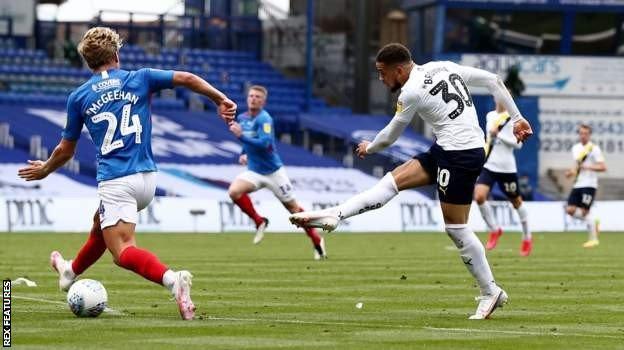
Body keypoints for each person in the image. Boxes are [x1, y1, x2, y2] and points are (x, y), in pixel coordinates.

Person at [290, 43, 533, 319]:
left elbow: (390, 136)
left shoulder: (411, 92)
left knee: (456, 228)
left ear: (400, 69)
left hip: (461, 155)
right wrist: (517, 118)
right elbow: (493, 80)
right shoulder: (442, 66)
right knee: (390, 183)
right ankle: (336, 214)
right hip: (447, 148)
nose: (381, 79)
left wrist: (369, 148)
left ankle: (491, 292)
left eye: (383, 73)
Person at [17, 27, 237, 320]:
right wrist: (219, 99)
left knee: (122, 252)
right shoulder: (140, 77)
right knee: (100, 224)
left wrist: (45, 169)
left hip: (116, 180)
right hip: (147, 178)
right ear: (117, 56)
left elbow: (65, 150)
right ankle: (69, 271)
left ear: (88, 62)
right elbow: (187, 78)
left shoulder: (79, 97)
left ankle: (174, 281)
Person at [227, 85, 326, 259]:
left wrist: (241, 136)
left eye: (258, 97)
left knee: (295, 211)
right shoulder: (242, 118)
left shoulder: (265, 119)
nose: (253, 99)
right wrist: (243, 153)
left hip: (273, 173)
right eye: (251, 96)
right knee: (234, 191)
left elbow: (265, 143)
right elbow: (248, 141)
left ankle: (316, 239)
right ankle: (259, 221)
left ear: (263, 101)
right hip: (255, 171)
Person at [474, 98, 532, 256]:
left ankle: (527, 237)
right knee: (479, 196)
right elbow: (488, 139)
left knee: (516, 202)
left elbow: (518, 144)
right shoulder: (489, 116)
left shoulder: (512, 119)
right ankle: (494, 229)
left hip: (507, 168)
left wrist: (499, 135)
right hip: (489, 165)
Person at [564, 124, 606, 248]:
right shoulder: (575, 148)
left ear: (589, 135)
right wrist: (571, 172)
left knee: (584, 212)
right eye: (581, 133)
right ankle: (594, 222)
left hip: (589, 184)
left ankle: (593, 239)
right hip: (578, 183)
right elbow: (578, 166)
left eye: (586, 133)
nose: (583, 135)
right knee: (570, 210)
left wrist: (588, 167)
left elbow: (603, 167)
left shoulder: (594, 148)